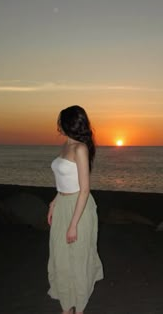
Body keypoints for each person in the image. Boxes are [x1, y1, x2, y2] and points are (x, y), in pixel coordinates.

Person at [47, 105, 104, 314]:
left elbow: (84, 189)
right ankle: (67, 306)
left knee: (78, 259)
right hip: (63, 205)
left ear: (68, 123)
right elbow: (65, 180)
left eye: (60, 120)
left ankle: (77, 309)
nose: (57, 125)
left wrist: (73, 225)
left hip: (78, 209)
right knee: (61, 257)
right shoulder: (65, 146)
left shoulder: (80, 148)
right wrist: (54, 202)